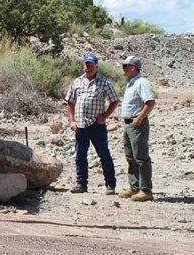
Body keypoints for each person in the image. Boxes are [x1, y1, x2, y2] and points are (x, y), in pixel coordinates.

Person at [65, 54, 120, 194]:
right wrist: (71, 121)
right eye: (86, 64)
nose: (88, 67)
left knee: (104, 154)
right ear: (84, 65)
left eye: (91, 65)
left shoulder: (104, 82)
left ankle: (110, 185)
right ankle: (81, 184)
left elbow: (114, 100)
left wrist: (105, 116)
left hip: (97, 125)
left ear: (96, 67)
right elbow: (70, 102)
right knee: (80, 156)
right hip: (80, 126)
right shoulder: (76, 82)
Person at [118, 56, 156, 202]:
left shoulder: (141, 82)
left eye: (125, 66)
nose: (123, 69)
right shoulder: (131, 83)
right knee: (130, 157)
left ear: (133, 67)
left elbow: (150, 102)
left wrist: (139, 118)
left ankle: (145, 190)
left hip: (136, 124)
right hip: (129, 124)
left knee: (141, 157)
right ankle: (134, 187)